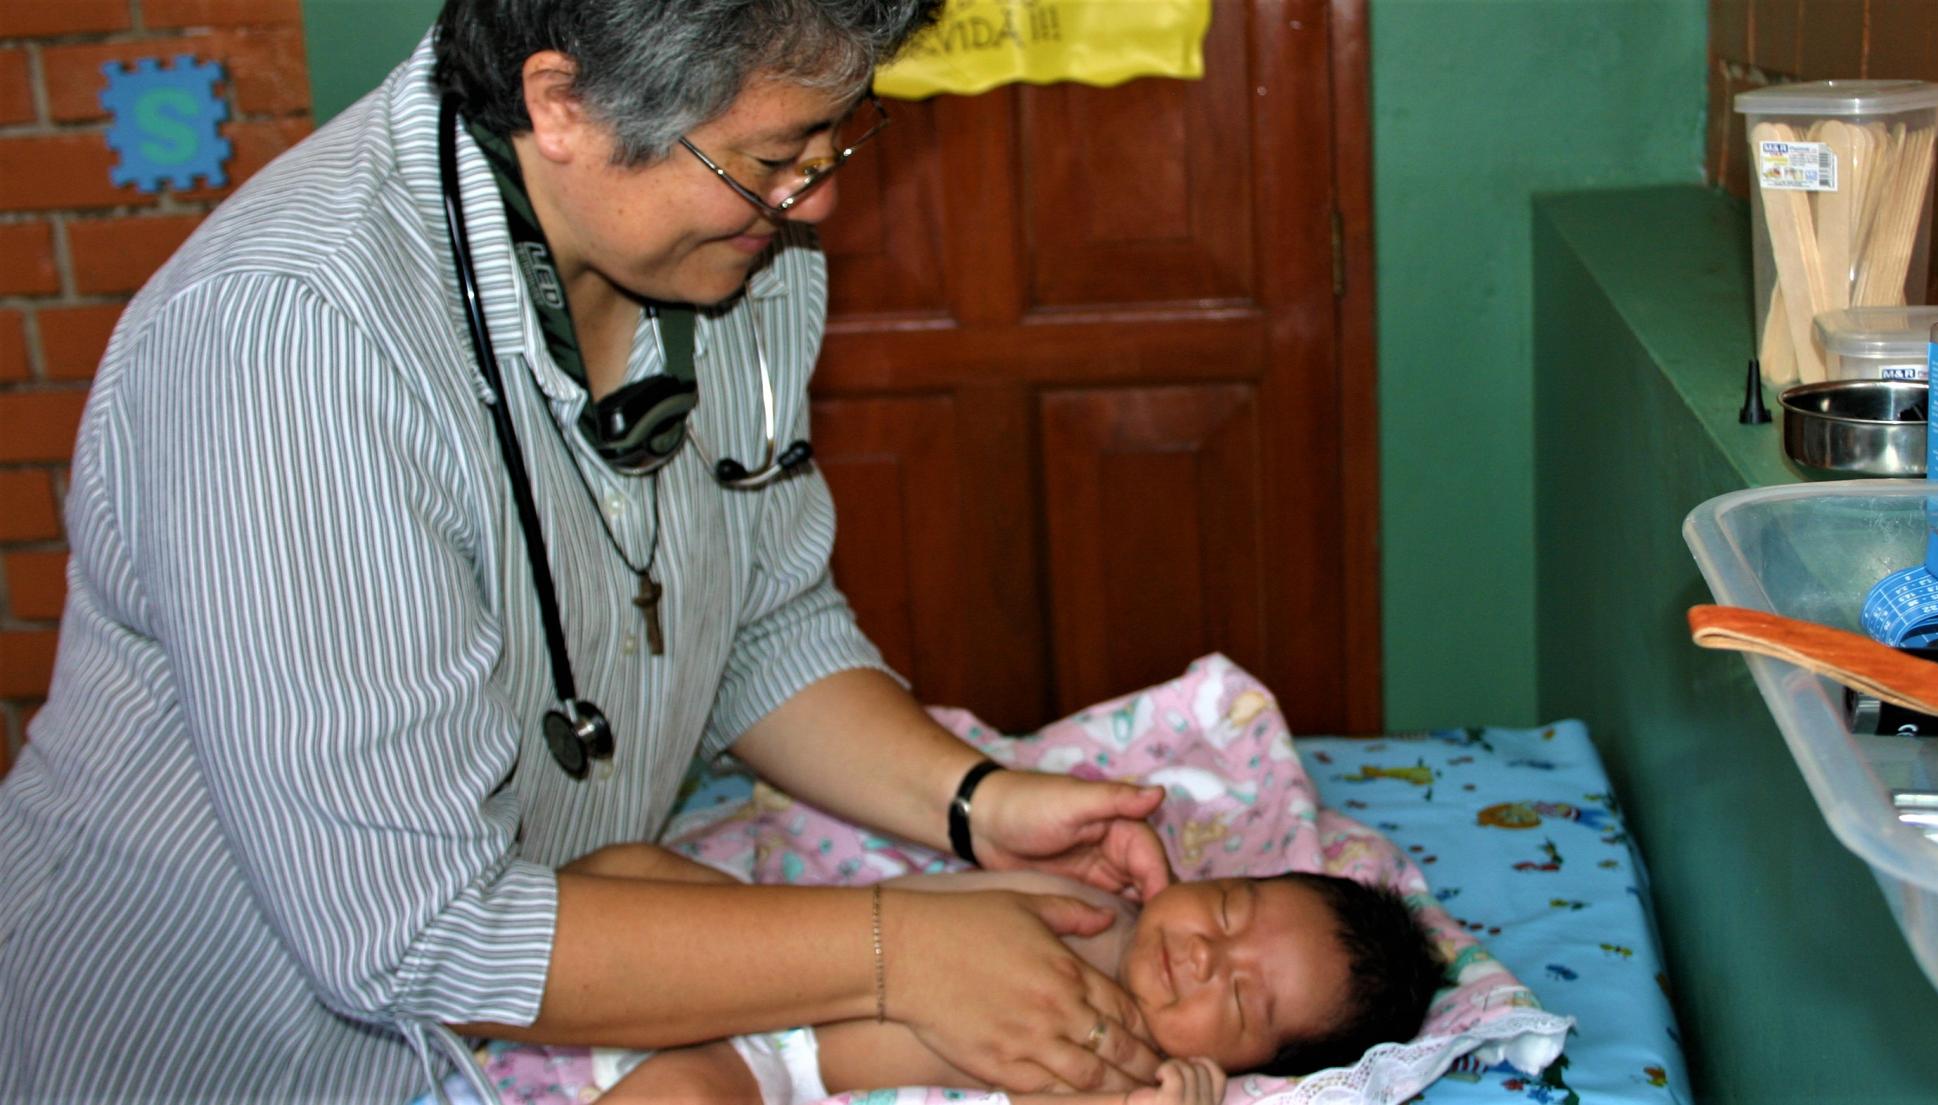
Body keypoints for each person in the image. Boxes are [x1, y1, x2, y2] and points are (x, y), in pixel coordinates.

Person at [0, 2, 1182, 1101]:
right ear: (560, 102)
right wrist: (896, 949)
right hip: (216, 1049)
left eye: (835, 136)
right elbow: (420, 931)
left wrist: (973, 802)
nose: (814, 200)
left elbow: (760, 625)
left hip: (528, 1019)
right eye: (774, 157)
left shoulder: (730, 254)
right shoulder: (294, 347)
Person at [550, 844, 1444, 1105]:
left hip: (763, 1059)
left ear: (1259, 1066)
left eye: (1241, 1000)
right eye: (1227, 907)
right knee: (633, 866)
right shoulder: (1087, 901)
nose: (1204, 955)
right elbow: (919, 901)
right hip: (772, 946)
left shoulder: (1130, 1057)